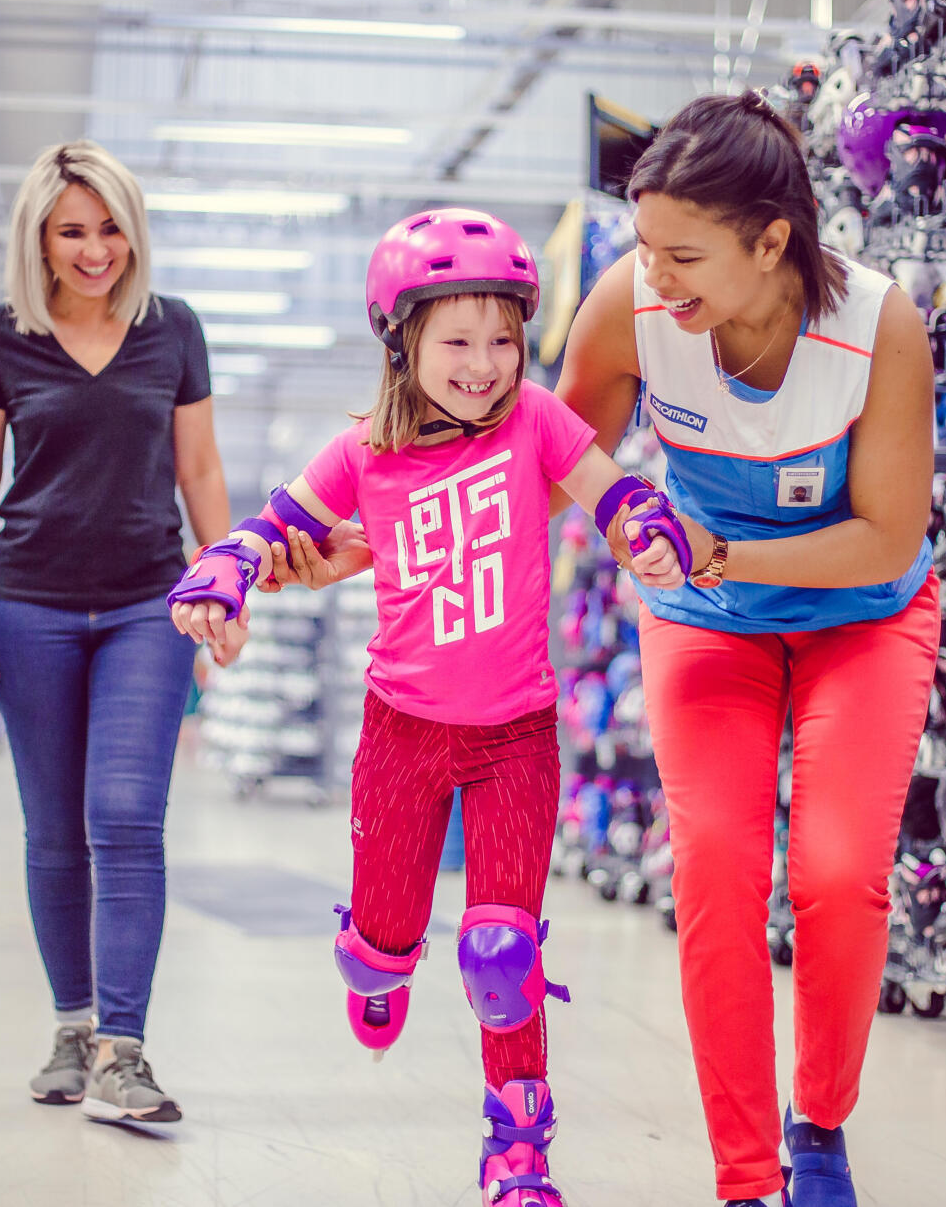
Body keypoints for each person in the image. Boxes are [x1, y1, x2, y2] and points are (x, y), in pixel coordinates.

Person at [168, 208, 688, 1207]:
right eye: (458, 338)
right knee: (380, 947)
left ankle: (519, 1148)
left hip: (518, 735)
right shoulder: (364, 450)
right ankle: (377, 962)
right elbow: (270, 529)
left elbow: (612, 491)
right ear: (402, 341)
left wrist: (647, 528)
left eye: (504, 337)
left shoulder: (536, 419)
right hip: (401, 735)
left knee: (504, 949)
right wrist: (221, 576)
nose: (486, 362)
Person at [555, 92, 940, 1207]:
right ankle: (745, 1175)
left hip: (860, 615)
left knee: (835, 873)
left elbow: (884, 536)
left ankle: (817, 1124)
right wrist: (381, 529)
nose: (654, 275)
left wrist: (720, 549)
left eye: (684, 254)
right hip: (704, 620)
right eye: (644, 247)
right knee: (718, 871)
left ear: (773, 241)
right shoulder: (631, 307)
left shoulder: (880, 324)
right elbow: (551, 455)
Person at [0, 139, 232, 1127]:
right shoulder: (0, 336)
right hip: (28, 605)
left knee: (124, 817)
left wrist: (224, 582)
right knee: (54, 830)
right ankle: (72, 1026)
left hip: (150, 605)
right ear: (41, 236)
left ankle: (123, 1048)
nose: (96, 247)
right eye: (74, 229)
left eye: (111, 227)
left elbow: (199, 471)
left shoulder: (173, 330)